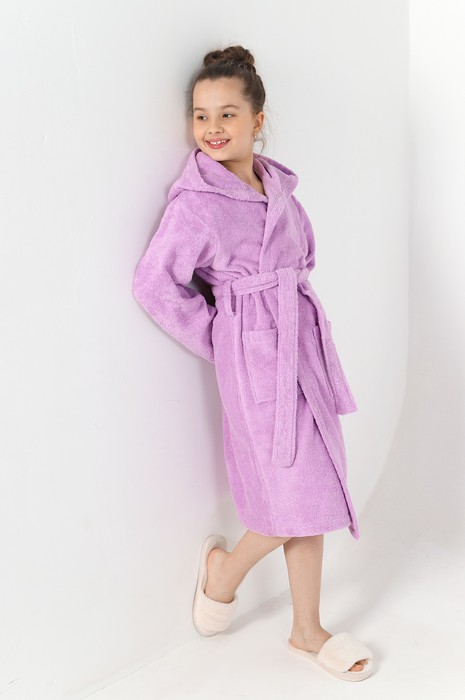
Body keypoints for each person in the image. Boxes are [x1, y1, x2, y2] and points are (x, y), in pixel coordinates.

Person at [132, 45, 374, 681]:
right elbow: (155, 283)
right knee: (298, 490)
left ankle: (304, 628)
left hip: (301, 348)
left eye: (227, 114)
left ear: (257, 119)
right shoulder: (196, 203)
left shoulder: (278, 186)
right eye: (201, 115)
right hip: (254, 358)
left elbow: (305, 256)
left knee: (313, 489)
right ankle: (226, 573)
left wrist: (284, 310)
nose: (212, 128)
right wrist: (224, 335)